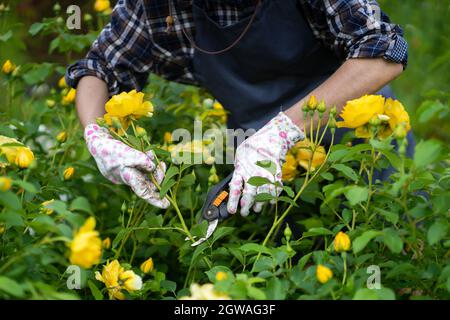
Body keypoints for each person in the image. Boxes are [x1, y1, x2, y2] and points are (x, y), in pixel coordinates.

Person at [66, 0, 409, 216]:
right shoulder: (154, 7)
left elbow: (384, 52)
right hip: (254, 160)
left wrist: (280, 133)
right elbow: (100, 68)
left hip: (362, 145)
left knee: (388, 251)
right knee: (286, 265)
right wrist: (98, 137)